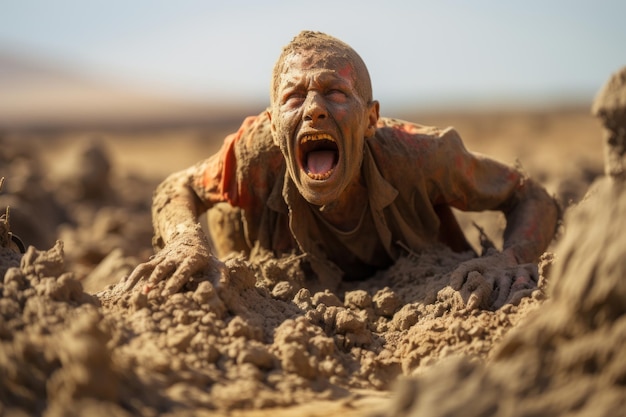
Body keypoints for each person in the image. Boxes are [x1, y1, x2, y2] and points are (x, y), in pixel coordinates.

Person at [125, 31, 559, 307]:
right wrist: (184, 244)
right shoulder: (256, 154)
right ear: (275, 123)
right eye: (294, 97)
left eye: (335, 92)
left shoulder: (420, 155)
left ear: (370, 119)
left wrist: (513, 257)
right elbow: (176, 188)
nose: (314, 110)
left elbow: (528, 194)